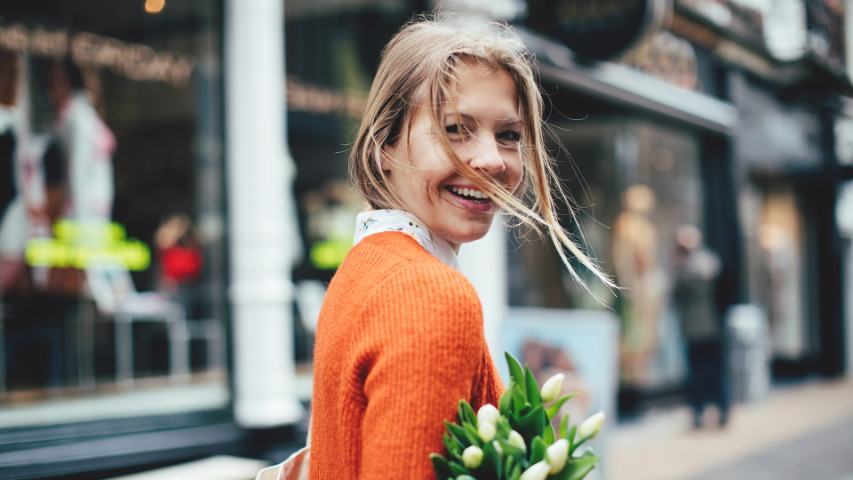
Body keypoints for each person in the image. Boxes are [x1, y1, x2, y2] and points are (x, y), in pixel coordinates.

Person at [307, 15, 613, 479]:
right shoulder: (427, 294)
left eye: (508, 135)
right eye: (455, 128)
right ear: (383, 146)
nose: (491, 159)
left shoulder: (367, 270)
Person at [671, 224, 729, 428]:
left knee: (697, 373)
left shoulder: (683, 269)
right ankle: (721, 409)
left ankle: (699, 412)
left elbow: (675, 295)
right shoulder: (711, 264)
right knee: (714, 372)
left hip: (694, 330)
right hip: (712, 327)